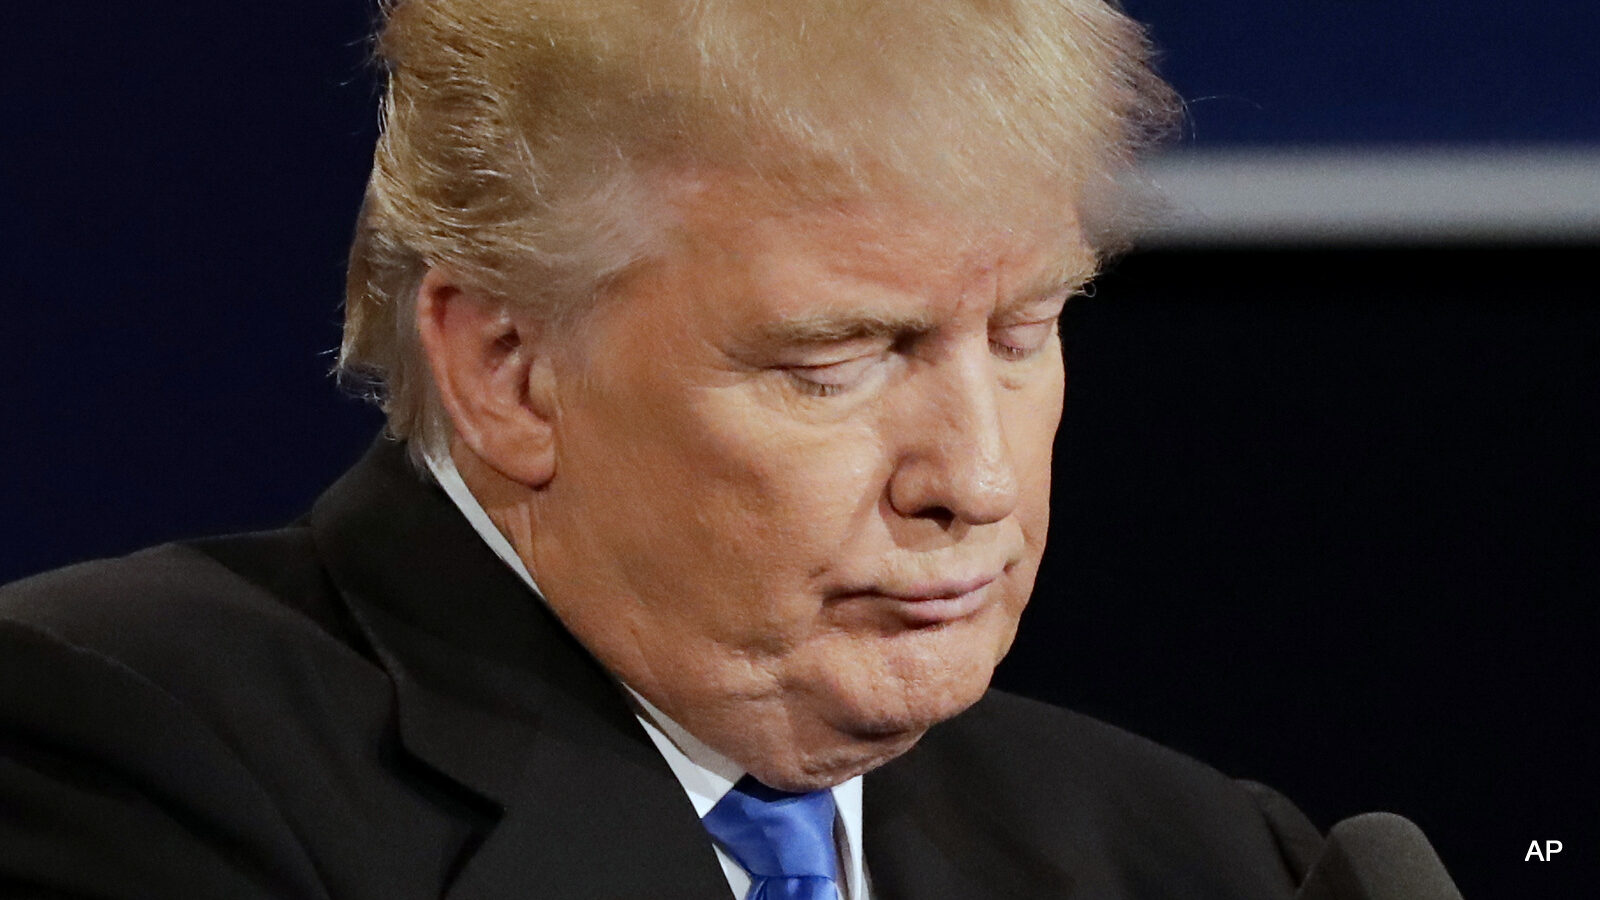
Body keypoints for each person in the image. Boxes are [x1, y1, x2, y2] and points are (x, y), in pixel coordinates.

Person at [0, 1, 1324, 897]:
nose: (974, 481)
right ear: (511, 370)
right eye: (838, 361)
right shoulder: (124, 749)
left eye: (1025, 332)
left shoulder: (1198, 856)